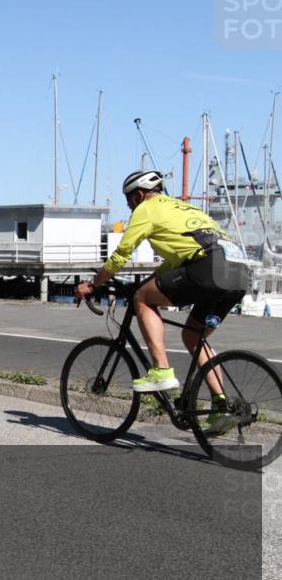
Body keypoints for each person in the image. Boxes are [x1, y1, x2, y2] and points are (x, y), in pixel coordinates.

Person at [75, 171, 250, 429]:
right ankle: (221, 405)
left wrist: (92, 284)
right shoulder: (183, 208)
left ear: (139, 194)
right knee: (193, 336)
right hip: (237, 273)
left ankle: (161, 371)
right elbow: (173, 261)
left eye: (128, 199)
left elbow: (122, 254)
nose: (128, 205)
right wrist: (148, 281)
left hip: (208, 268)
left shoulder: (146, 209)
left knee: (142, 299)